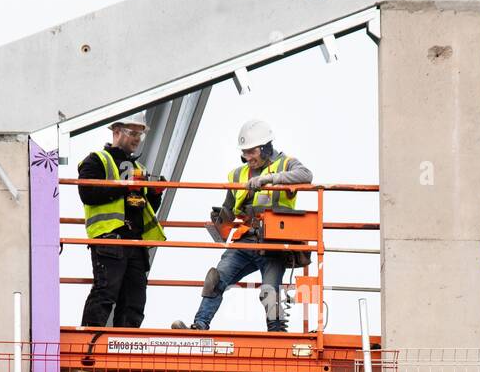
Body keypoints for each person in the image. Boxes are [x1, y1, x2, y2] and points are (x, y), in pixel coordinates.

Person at [172, 119, 311, 332]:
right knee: (215, 279)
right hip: (246, 239)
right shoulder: (237, 174)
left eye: (251, 151)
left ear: (265, 147)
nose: (247, 157)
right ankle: (200, 325)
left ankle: (276, 333)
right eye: (244, 152)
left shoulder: (286, 164)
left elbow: (306, 175)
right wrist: (220, 217)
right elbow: (230, 207)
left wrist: (269, 179)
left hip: (274, 240)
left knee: (269, 291)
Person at [77, 111, 166, 327]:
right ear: (116, 131)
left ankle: (124, 349)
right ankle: (88, 345)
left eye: (140, 134)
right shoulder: (97, 160)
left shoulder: (139, 169)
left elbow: (144, 208)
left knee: (134, 300)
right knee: (105, 292)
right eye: (132, 132)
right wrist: (123, 187)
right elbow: (87, 193)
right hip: (110, 238)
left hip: (135, 242)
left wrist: (155, 194)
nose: (137, 138)